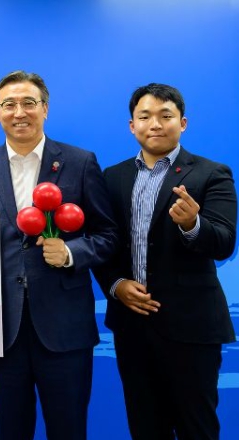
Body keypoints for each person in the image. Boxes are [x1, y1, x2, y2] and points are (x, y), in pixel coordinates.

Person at [0, 70, 118, 440]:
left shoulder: (79, 162)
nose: (19, 112)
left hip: (65, 328)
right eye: (9, 105)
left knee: (69, 429)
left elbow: (109, 235)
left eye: (28, 103)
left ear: (45, 108)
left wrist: (71, 252)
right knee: (12, 430)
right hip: (3, 330)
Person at [94, 83, 237, 440]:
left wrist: (193, 224)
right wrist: (115, 284)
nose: (155, 124)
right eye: (145, 117)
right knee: (145, 428)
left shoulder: (211, 173)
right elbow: (102, 243)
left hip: (192, 328)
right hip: (132, 329)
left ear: (182, 123)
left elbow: (224, 243)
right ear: (132, 126)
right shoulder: (112, 177)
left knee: (196, 428)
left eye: (165, 116)